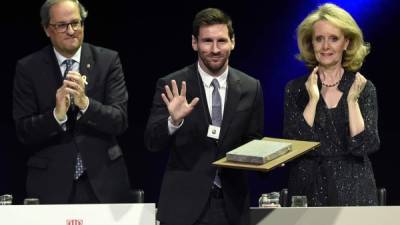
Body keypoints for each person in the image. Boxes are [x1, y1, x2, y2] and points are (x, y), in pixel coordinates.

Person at [145, 8, 264, 225]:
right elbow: (152, 142)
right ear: (194, 43)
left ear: (233, 42)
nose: (215, 49)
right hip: (183, 207)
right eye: (207, 41)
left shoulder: (250, 86)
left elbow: (252, 141)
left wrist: (270, 157)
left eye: (222, 41)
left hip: (232, 207)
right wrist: (174, 121)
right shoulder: (172, 85)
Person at [12, 0, 132, 204]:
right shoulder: (28, 68)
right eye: (62, 25)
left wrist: (86, 104)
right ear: (47, 29)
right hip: (50, 183)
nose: (71, 30)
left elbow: (119, 121)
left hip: (104, 182)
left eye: (76, 23)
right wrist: (56, 116)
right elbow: (23, 131)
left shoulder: (108, 61)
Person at [283, 3, 379, 206]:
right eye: (319, 39)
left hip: (354, 189)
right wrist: (313, 100)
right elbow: (295, 145)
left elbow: (365, 145)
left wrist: (352, 101)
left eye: (333, 39)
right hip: (307, 190)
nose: (326, 46)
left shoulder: (364, 87)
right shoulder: (295, 89)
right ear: (311, 43)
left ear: (346, 42)